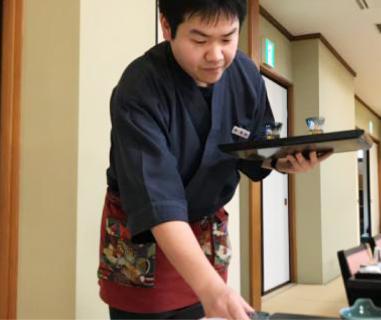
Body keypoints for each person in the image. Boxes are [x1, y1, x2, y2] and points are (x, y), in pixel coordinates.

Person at [97, 1, 331, 319]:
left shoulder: (247, 75)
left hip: (206, 229)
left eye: (227, 38)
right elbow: (157, 203)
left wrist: (282, 163)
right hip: (146, 234)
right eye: (199, 40)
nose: (216, 55)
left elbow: (253, 150)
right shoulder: (140, 86)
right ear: (167, 27)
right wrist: (213, 290)